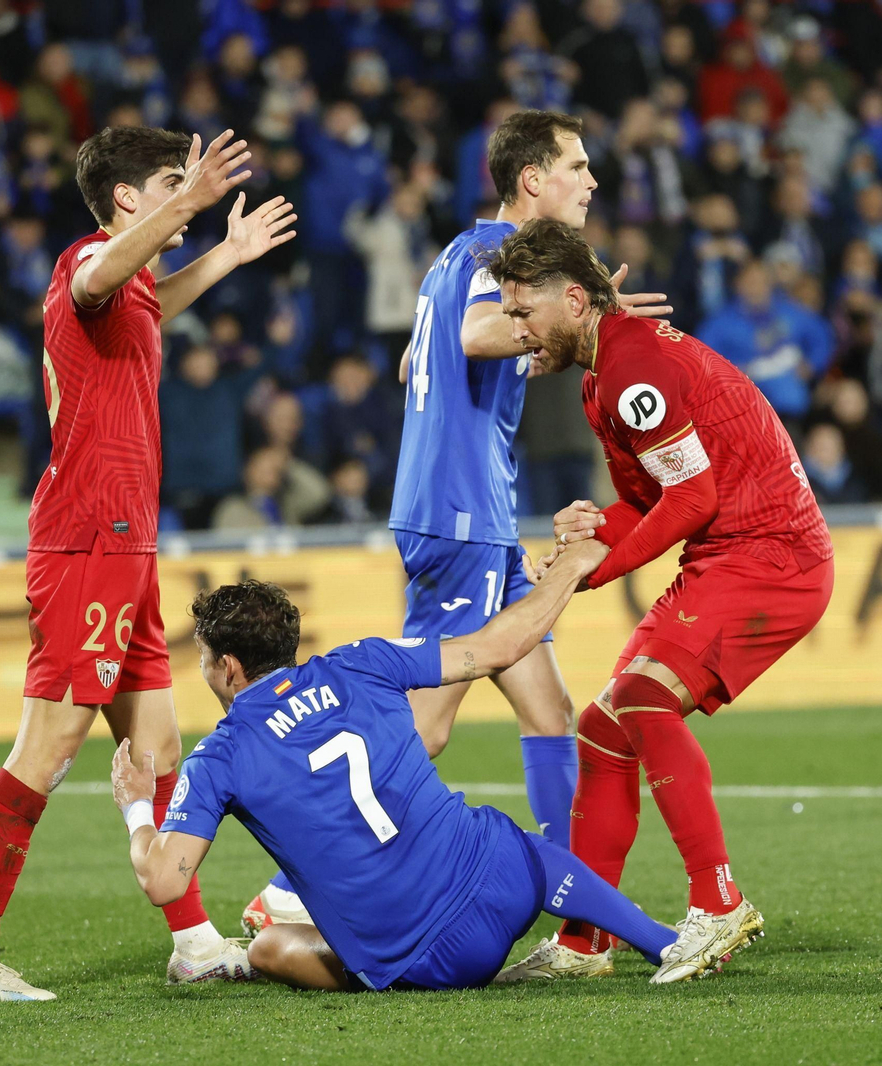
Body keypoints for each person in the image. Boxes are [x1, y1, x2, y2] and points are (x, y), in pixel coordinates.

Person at [242, 109, 670, 936]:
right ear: (532, 180)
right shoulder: (492, 259)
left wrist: (542, 339)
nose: (592, 180)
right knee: (426, 728)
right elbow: (474, 333)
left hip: (478, 521)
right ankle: (294, 887)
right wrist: (573, 319)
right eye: (577, 166)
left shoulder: (458, 252)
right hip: (458, 517)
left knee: (550, 712)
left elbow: (423, 351)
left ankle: (568, 902)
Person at [0, 124, 297, 1002]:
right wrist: (193, 203)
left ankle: (195, 939)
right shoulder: (85, 263)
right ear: (130, 198)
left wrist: (226, 253)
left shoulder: (131, 284)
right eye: (170, 180)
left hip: (127, 541)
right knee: (49, 747)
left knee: (161, 742)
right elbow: (102, 278)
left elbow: (146, 299)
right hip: (86, 539)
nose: (186, 188)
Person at [110, 557, 733, 990]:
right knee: (525, 848)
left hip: (428, 962)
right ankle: (662, 940)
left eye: (204, 660)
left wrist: (138, 808)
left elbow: (165, 881)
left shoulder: (218, 757)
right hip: (509, 893)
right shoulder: (362, 661)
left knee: (271, 945)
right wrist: (570, 570)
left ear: (230, 669)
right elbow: (496, 647)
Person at [483, 219, 834, 981]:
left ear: (575, 300)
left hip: (771, 554)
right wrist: (595, 526)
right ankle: (585, 941)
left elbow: (694, 495)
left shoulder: (633, 372)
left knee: (643, 697)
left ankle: (719, 901)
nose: (516, 332)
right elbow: (654, 503)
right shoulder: (603, 378)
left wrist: (586, 570)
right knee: (603, 728)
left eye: (522, 313)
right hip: (733, 550)